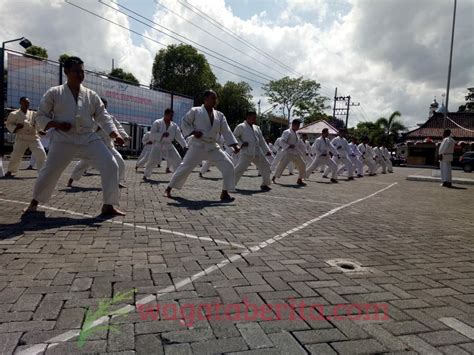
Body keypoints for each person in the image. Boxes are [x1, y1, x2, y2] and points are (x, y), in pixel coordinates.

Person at [23, 56, 125, 216]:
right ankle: (34, 202)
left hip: (87, 137)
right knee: (50, 171)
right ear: (66, 72)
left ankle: (108, 205)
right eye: (76, 71)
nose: (80, 75)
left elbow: (102, 115)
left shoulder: (91, 95)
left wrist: (114, 134)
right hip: (64, 138)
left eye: (82, 71)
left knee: (111, 164)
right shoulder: (55, 93)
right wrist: (56, 124)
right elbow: (41, 116)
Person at [164, 90, 240, 201]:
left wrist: (235, 145)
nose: (215, 100)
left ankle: (225, 193)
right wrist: (193, 132)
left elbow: (226, 131)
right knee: (185, 167)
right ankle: (169, 188)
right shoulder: (195, 111)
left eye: (216, 98)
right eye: (213, 98)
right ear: (206, 99)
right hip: (198, 145)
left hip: (213, 146)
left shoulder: (219, 115)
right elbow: (185, 122)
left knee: (228, 166)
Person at [67, 98, 129, 188]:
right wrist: (97, 128)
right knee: (83, 163)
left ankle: (117, 182)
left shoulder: (110, 118)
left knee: (120, 161)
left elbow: (118, 127)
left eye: (104, 105)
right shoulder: (89, 117)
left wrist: (125, 136)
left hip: (108, 145)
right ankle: (72, 179)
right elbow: (85, 130)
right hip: (94, 146)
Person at [4, 97, 47, 177]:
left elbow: (37, 125)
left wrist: (40, 131)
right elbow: (9, 124)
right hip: (21, 137)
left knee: (41, 153)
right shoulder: (14, 114)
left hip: (33, 137)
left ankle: (42, 172)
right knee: (16, 155)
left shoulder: (33, 114)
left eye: (28, 103)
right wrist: (17, 127)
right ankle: (10, 171)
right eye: (25, 102)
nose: (27, 104)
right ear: (20, 103)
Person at [143, 109, 187, 181]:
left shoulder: (174, 126)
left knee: (177, 159)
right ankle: (146, 175)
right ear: (165, 114)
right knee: (152, 160)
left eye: (172, 115)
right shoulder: (157, 122)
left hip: (168, 145)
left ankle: (177, 176)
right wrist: (161, 135)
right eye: (170, 115)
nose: (172, 117)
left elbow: (179, 136)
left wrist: (184, 145)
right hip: (158, 145)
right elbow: (152, 135)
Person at [233, 111, 272, 191]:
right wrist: (241, 143)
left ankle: (265, 184)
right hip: (246, 152)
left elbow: (262, 140)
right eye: (253, 117)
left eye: (255, 117)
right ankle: (230, 185)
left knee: (266, 165)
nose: (255, 119)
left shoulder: (257, 127)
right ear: (248, 117)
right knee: (239, 169)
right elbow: (234, 137)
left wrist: (267, 150)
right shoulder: (241, 126)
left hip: (257, 151)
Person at [272, 119, 306, 186]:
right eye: (297, 125)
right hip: (287, 152)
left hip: (295, 153)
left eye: (299, 125)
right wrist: (289, 146)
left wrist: (304, 151)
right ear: (293, 124)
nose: (298, 126)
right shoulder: (287, 132)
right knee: (281, 166)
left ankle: (300, 179)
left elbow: (299, 143)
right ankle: (274, 178)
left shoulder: (297, 133)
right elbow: (281, 141)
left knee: (302, 164)